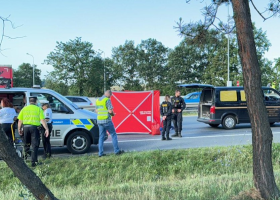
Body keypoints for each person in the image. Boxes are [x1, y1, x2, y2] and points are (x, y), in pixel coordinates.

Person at [18, 97, 49, 167]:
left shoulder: (24, 109)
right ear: (36, 102)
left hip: (25, 128)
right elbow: (42, 120)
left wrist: (19, 129)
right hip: (35, 129)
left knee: (26, 145)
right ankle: (34, 162)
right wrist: (46, 129)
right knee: (35, 146)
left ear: (29, 102)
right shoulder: (38, 109)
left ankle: (23, 161)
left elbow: (20, 121)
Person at [96, 90, 124, 157]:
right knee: (113, 134)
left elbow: (97, 111)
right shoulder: (107, 100)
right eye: (110, 95)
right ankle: (117, 151)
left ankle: (100, 153)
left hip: (99, 121)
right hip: (106, 120)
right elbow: (110, 110)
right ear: (108, 94)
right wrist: (113, 114)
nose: (110, 97)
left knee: (101, 137)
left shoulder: (98, 100)